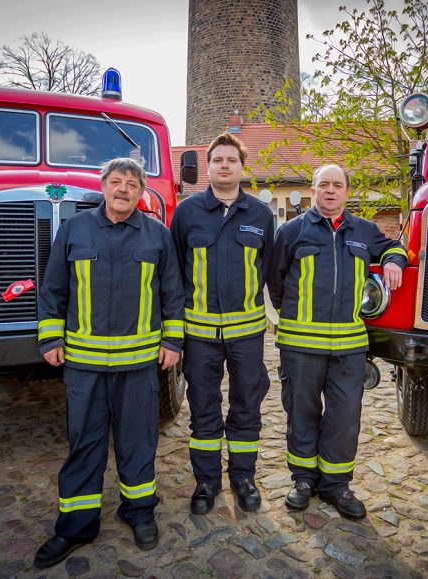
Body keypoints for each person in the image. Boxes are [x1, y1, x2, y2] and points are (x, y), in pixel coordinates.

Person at [33, 158, 184, 568]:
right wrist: (50, 337)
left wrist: (173, 340)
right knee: (85, 441)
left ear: (140, 192)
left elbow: (172, 292)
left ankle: (138, 511)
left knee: (138, 440)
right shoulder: (73, 230)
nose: (123, 189)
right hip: (84, 364)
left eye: (132, 184)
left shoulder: (156, 235)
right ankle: (76, 525)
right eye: (116, 182)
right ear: (103, 186)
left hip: (138, 366)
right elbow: (53, 290)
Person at [268, 164, 406, 520]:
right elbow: (276, 280)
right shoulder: (291, 230)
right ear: (313, 190)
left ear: (346, 191)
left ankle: (336, 485)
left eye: (337, 185)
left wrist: (392, 261)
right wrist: (294, 313)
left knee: (345, 417)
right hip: (300, 346)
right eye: (323, 185)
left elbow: (395, 247)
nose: (330, 190)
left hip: (348, 348)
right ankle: (302, 480)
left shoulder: (364, 230)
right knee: (302, 413)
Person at [170, 133, 275, 515]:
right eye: (218, 160)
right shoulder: (186, 213)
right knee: (203, 408)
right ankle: (207, 482)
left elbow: (267, 270)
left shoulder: (261, 215)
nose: (225, 165)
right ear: (209, 167)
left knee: (247, 405)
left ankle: (243, 478)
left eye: (232, 160)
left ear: (242, 168)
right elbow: (174, 271)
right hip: (198, 335)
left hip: (246, 334)